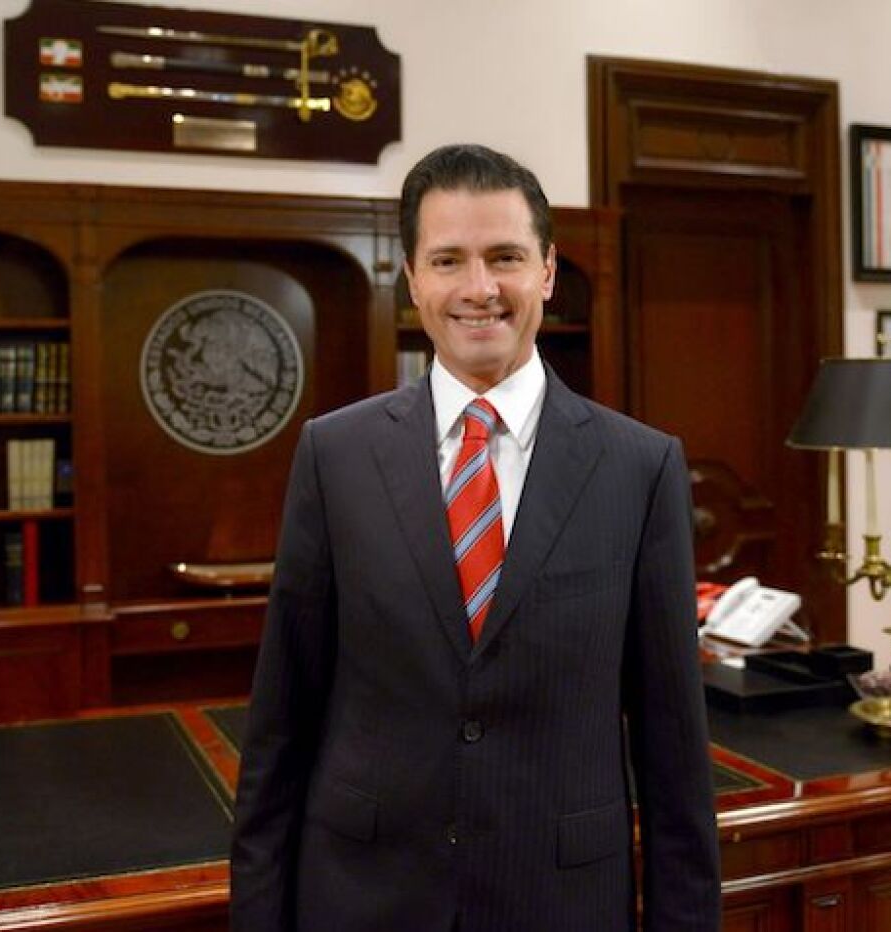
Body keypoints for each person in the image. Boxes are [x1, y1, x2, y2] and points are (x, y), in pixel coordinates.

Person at [230, 143, 721, 931]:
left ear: (549, 272)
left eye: (505, 257)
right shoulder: (336, 454)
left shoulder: (641, 467)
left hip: (560, 903)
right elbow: (281, 726)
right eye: (449, 260)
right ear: (413, 279)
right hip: (362, 898)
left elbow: (673, 754)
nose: (479, 289)